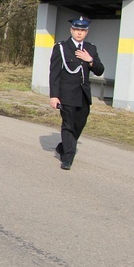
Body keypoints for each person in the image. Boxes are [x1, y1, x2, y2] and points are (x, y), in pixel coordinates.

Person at [49, 17, 104, 170]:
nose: (79, 33)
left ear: (87, 32)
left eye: (82, 31)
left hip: (83, 96)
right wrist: (54, 96)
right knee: (68, 125)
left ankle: (63, 146)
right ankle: (68, 158)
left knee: (79, 125)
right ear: (71, 30)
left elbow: (99, 70)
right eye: (77, 30)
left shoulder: (90, 48)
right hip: (66, 95)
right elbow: (54, 73)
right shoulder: (61, 47)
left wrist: (90, 60)